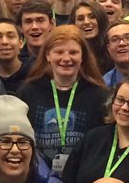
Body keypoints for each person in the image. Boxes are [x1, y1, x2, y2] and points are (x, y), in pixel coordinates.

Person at [15, 25, 109, 171]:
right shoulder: (28, 92)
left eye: (73, 52)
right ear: (48, 56)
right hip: (39, 174)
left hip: (83, 173)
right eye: (59, 52)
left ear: (83, 56)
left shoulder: (99, 95)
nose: (66, 58)